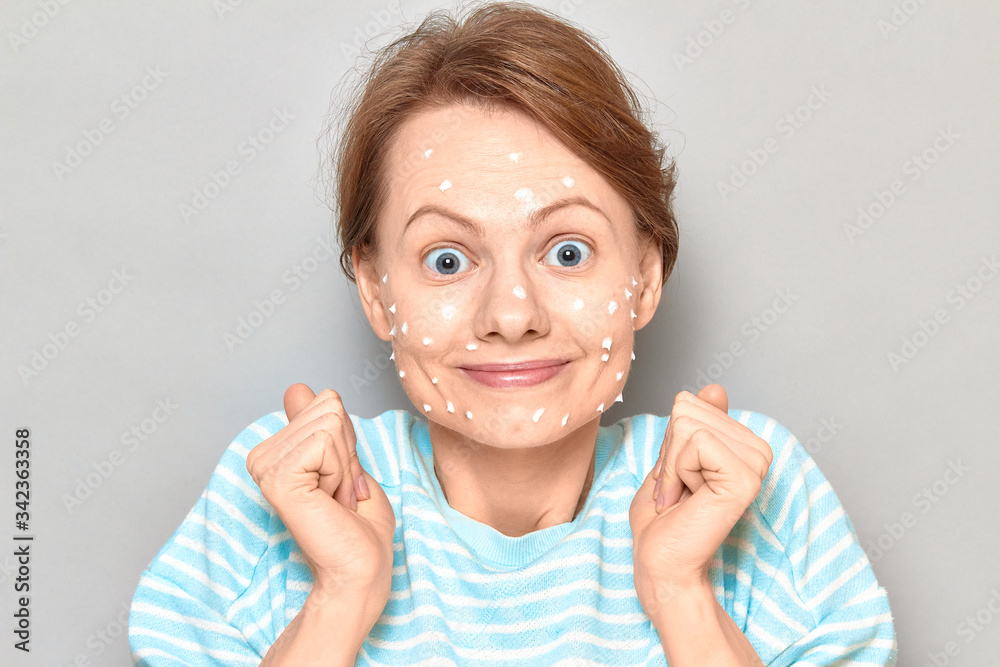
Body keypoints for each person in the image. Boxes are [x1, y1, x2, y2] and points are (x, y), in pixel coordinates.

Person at [127, 2, 898, 665]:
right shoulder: (283, 499)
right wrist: (340, 596)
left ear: (646, 276)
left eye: (568, 251)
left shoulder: (751, 496)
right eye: (448, 259)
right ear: (374, 287)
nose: (511, 313)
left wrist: (680, 593)